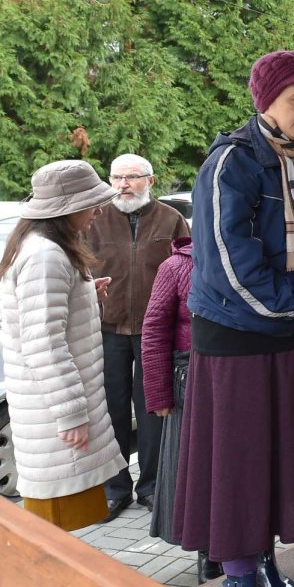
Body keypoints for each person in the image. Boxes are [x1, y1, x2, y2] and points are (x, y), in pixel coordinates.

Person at [175, 50, 294, 587]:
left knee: (280, 457)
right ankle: (239, 570)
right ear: (266, 102)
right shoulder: (230, 163)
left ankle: (264, 559)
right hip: (238, 340)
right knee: (239, 460)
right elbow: (228, 262)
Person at [0, 160, 126, 531]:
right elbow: (44, 343)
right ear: (67, 207)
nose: (98, 211)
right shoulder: (46, 255)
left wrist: (85, 292)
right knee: (59, 535)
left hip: (48, 413)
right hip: (55, 419)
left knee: (64, 531)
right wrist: (71, 414)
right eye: (92, 203)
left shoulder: (40, 247)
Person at [87, 153, 189, 522]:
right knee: (110, 410)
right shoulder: (95, 220)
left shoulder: (170, 218)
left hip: (155, 332)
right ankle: (115, 489)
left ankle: (151, 486)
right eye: (117, 177)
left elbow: (188, 267)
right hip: (108, 330)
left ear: (151, 179)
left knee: (154, 410)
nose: (124, 184)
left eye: (132, 177)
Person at [140, 235, 222, 583]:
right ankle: (208, 551)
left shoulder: (248, 259)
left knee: (231, 469)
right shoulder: (174, 267)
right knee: (196, 470)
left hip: (235, 375)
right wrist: (159, 394)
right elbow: (154, 330)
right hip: (189, 380)